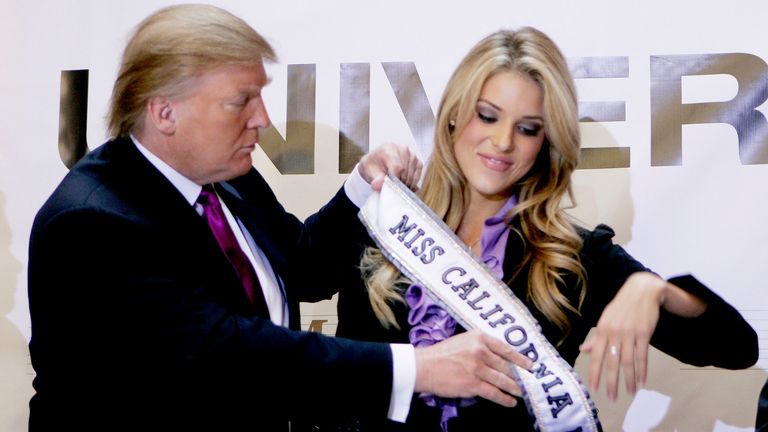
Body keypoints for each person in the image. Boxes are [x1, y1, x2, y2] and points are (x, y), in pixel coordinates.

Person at [26, 5, 533, 431]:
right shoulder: (93, 224)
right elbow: (228, 353)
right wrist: (418, 368)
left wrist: (361, 185)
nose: (263, 118)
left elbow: (300, 267)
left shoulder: (224, 172)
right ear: (164, 112)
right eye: (240, 101)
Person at [318, 27, 759, 431]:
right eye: (487, 116)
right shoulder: (385, 220)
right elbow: (301, 276)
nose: (504, 142)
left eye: (527, 129)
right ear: (453, 116)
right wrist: (358, 186)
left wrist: (653, 290)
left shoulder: (572, 256)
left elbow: (734, 347)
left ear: (544, 143)